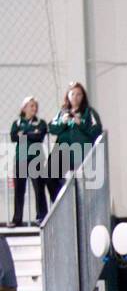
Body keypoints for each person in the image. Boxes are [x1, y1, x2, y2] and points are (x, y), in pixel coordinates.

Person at [48, 82, 102, 195]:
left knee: (81, 186)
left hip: (81, 152)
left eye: (79, 94)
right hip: (62, 152)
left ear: (83, 96)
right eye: (73, 94)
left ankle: (78, 210)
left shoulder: (89, 112)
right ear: (68, 95)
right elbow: (52, 128)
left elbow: (97, 130)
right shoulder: (63, 112)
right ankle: (60, 205)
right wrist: (63, 122)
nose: (75, 97)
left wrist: (81, 123)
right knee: (49, 176)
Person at [9, 97, 49, 226]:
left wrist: (24, 133)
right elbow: (13, 136)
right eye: (31, 106)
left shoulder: (41, 123)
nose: (34, 108)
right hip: (21, 159)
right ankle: (17, 219)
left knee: (39, 189)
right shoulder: (17, 122)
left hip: (36, 159)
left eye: (35, 106)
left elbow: (39, 136)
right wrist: (31, 133)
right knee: (19, 190)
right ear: (24, 108)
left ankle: (42, 217)